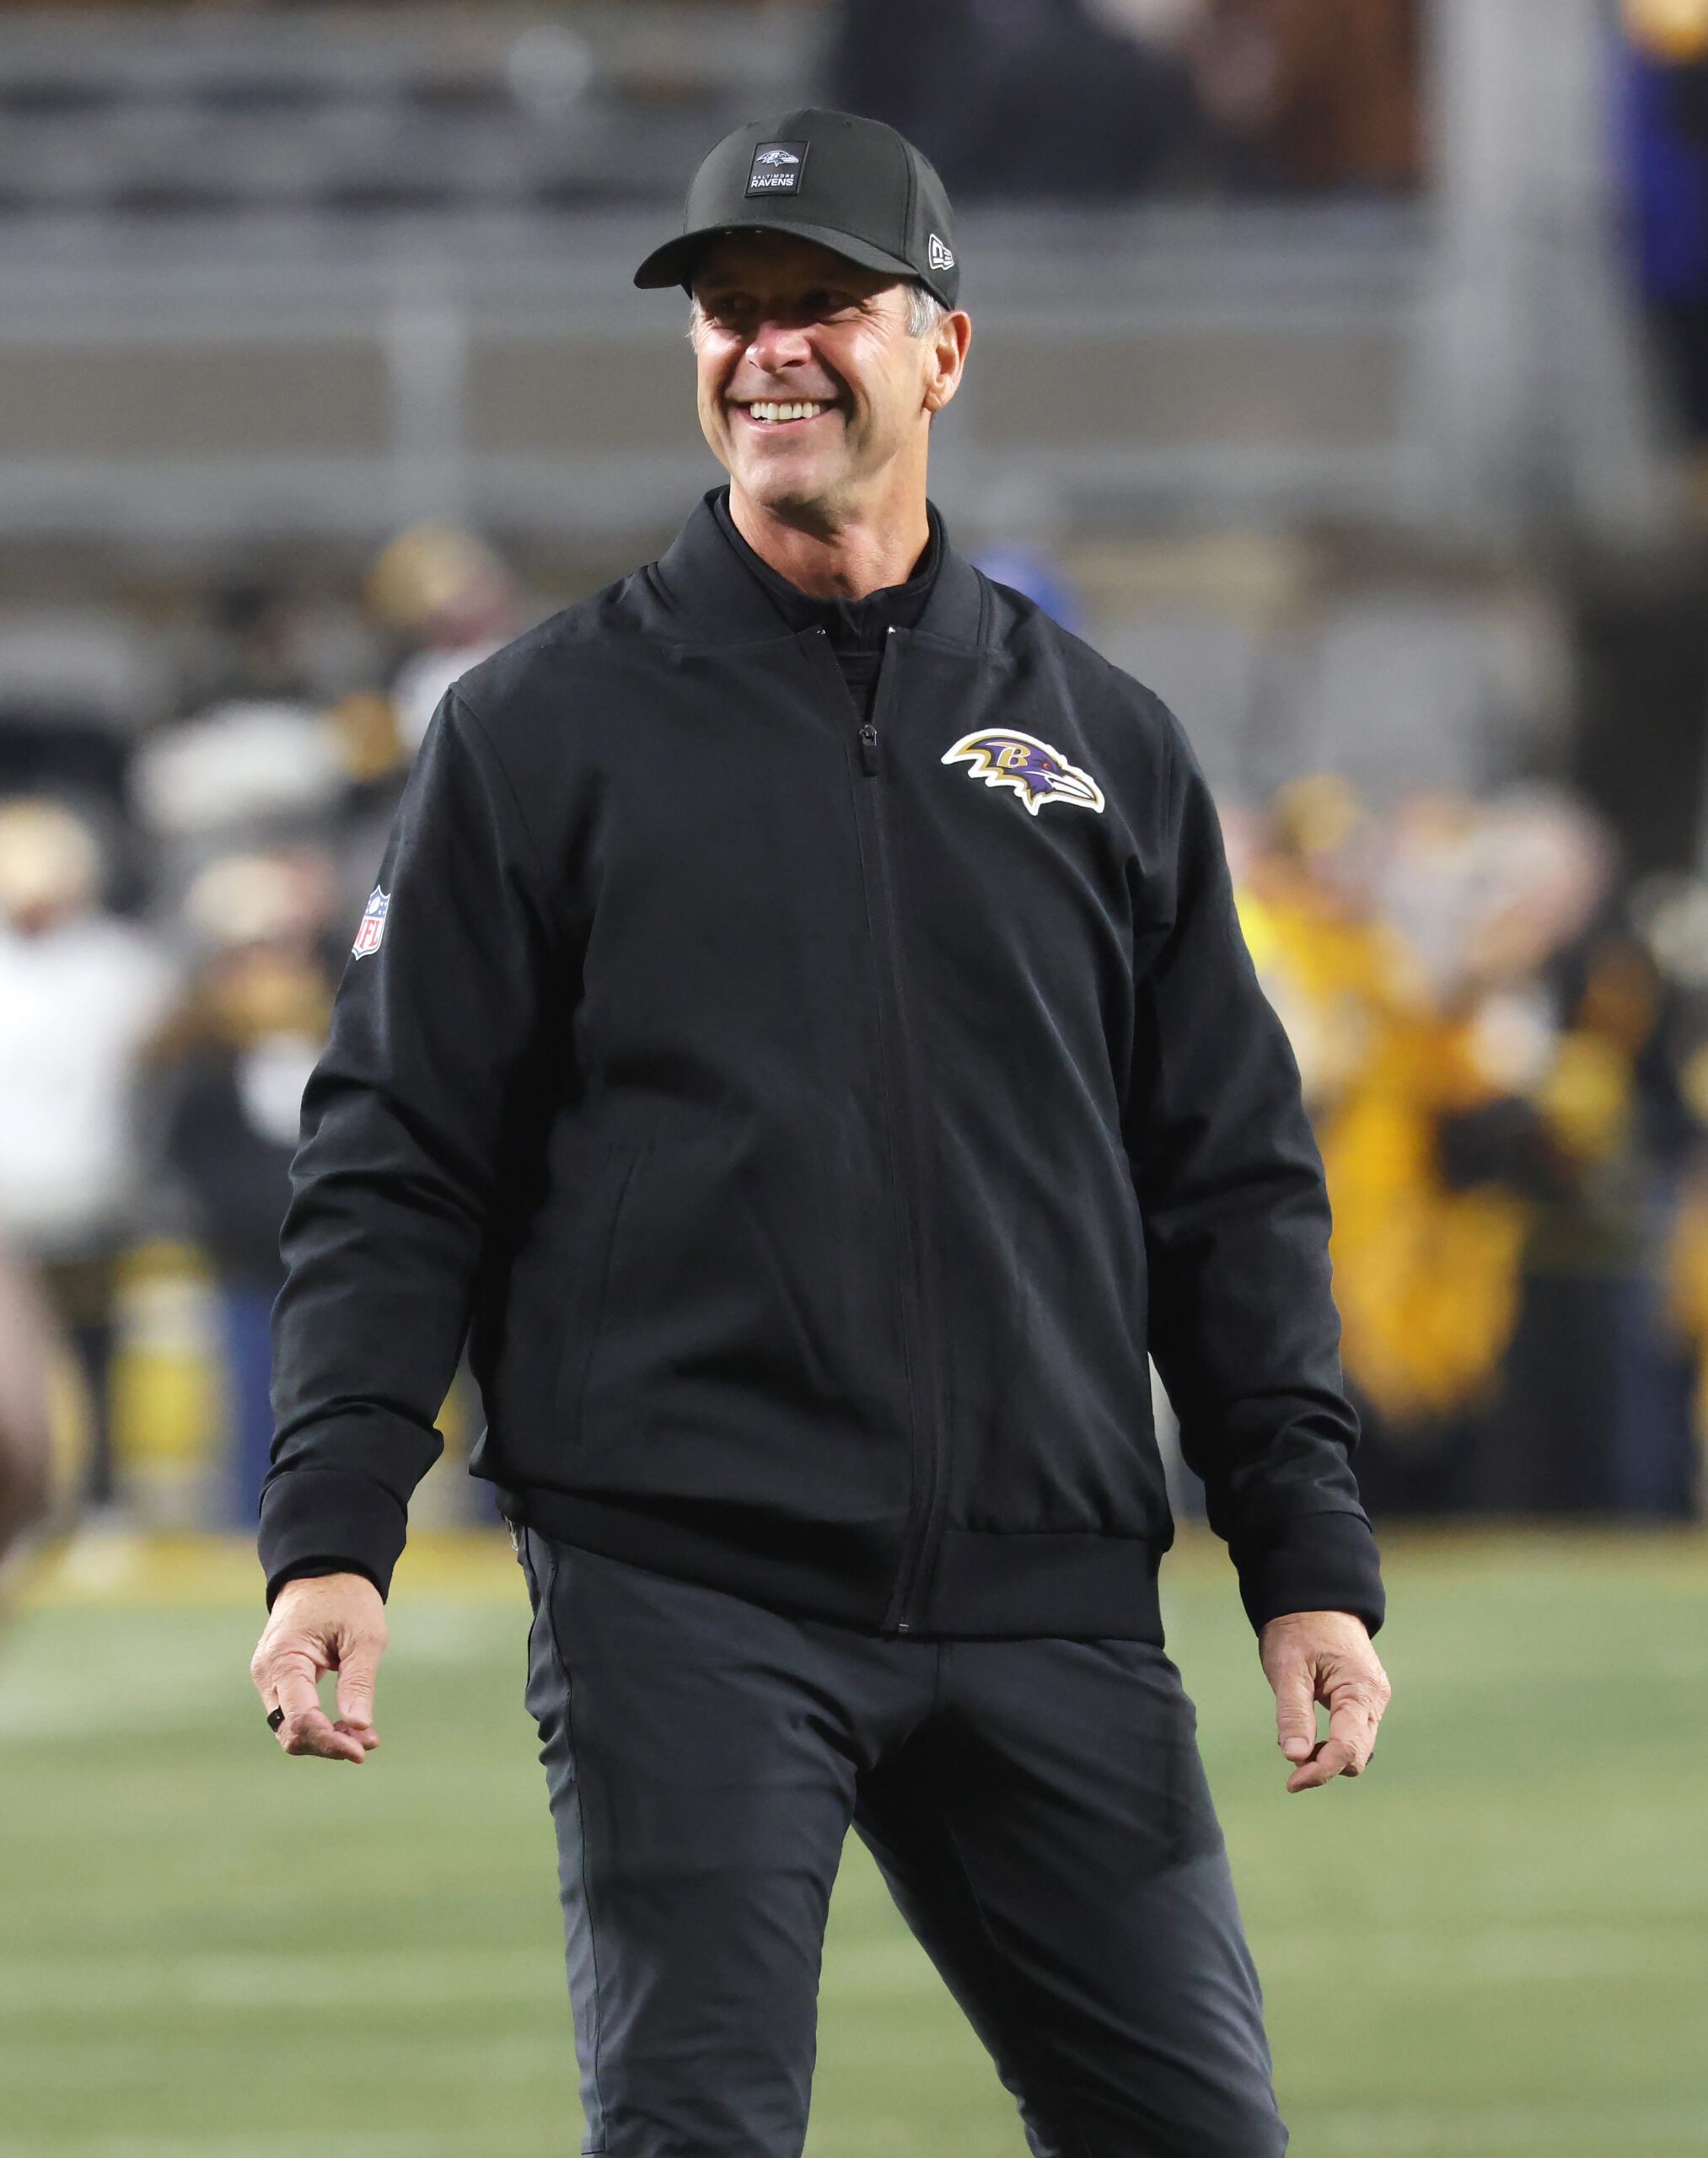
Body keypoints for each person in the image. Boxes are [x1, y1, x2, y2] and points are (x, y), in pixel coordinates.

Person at [250, 109, 1390, 2158]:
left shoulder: (1103, 742)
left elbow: (1224, 1179)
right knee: (696, 2135)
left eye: (822, 305)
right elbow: (400, 1151)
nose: (766, 347)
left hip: (1049, 1586)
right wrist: (335, 1519)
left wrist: (1300, 1552)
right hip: (686, 1581)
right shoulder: (537, 727)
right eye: (726, 309)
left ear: (939, 348)